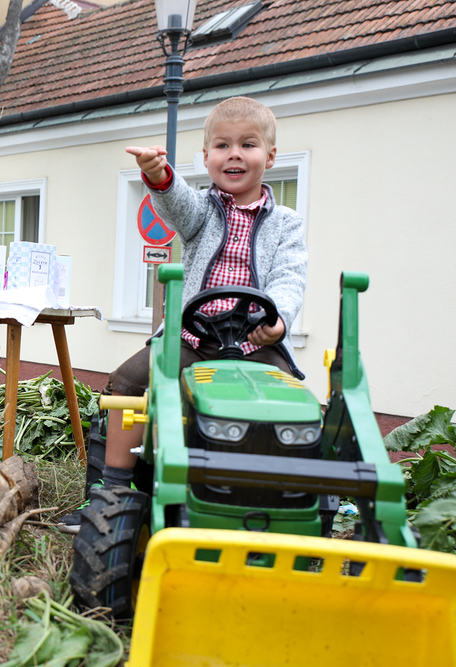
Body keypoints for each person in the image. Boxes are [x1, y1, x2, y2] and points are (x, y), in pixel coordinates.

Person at [58, 96, 308, 533]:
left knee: (289, 404)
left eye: (248, 145)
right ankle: (108, 494)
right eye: (222, 146)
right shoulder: (203, 212)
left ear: (270, 157)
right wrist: (158, 175)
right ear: (207, 157)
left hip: (256, 344)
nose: (234, 154)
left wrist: (280, 320)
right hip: (191, 340)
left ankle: (276, 494)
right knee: (126, 385)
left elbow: (290, 276)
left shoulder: (286, 223)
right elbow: (177, 205)